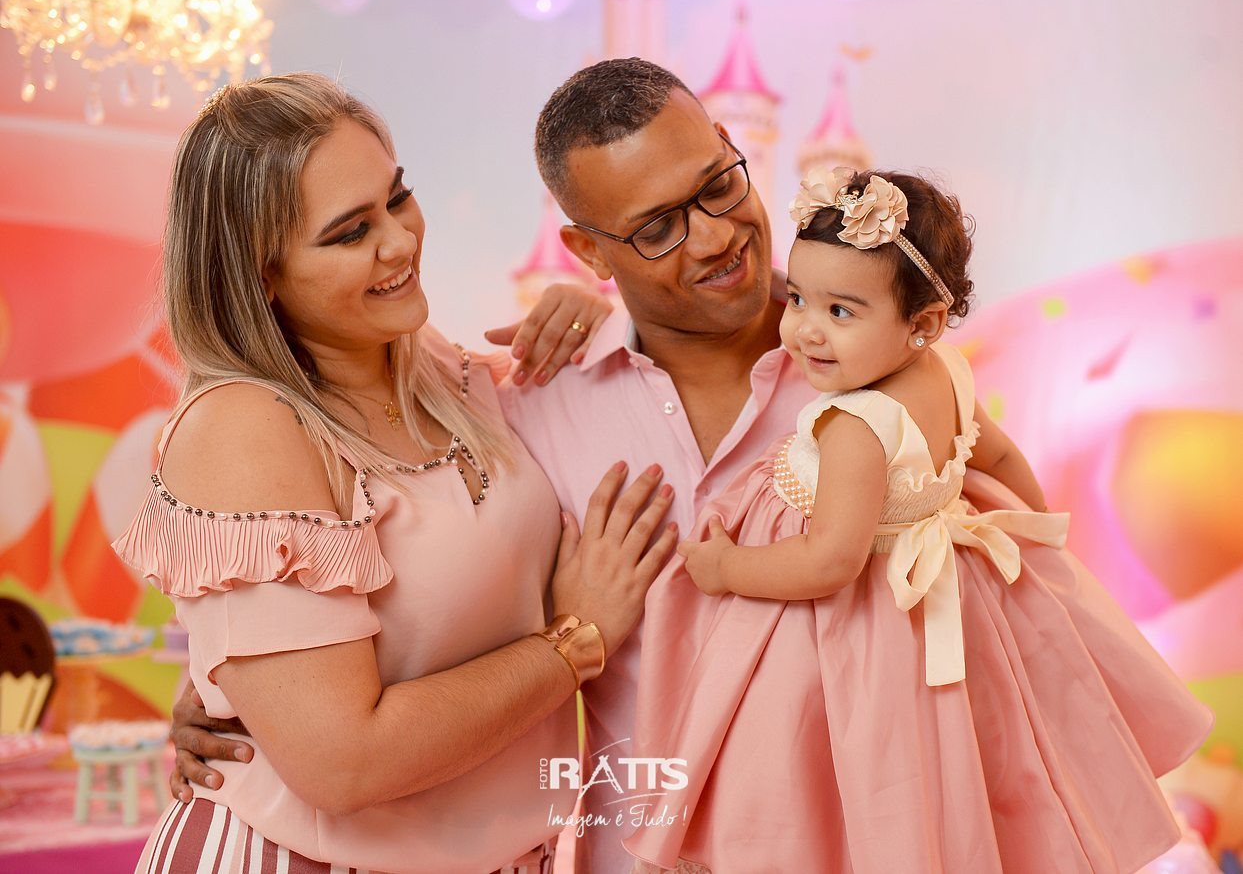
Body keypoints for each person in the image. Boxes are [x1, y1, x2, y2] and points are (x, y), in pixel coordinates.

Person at [172, 59, 1198, 873]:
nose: (714, 238)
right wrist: (233, 687)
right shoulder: (524, 404)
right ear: (587, 251)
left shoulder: (888, 374)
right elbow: (386, 560)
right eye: (658, 228)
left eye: (719, 185)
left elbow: (1012, 594)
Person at [113, 71, 679, 874]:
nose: (400, 242)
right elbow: (343, 765)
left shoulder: (440, 369)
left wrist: (595, 313)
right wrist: (573, 640)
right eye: (350, 232)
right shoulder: (245, 427)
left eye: (397, 198)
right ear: (259, 273)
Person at [622, 168, 1215, 873]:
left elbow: (829, 561)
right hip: (947, 604)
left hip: (855, 625)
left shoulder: (857, 424)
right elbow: (998, 455)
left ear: (922, 324)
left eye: (841, 312)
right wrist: (1033, 532)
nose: (805, 330)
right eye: (800, 298)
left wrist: (726, 568)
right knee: (956, 760)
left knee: (831, 764)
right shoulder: (948, 371)